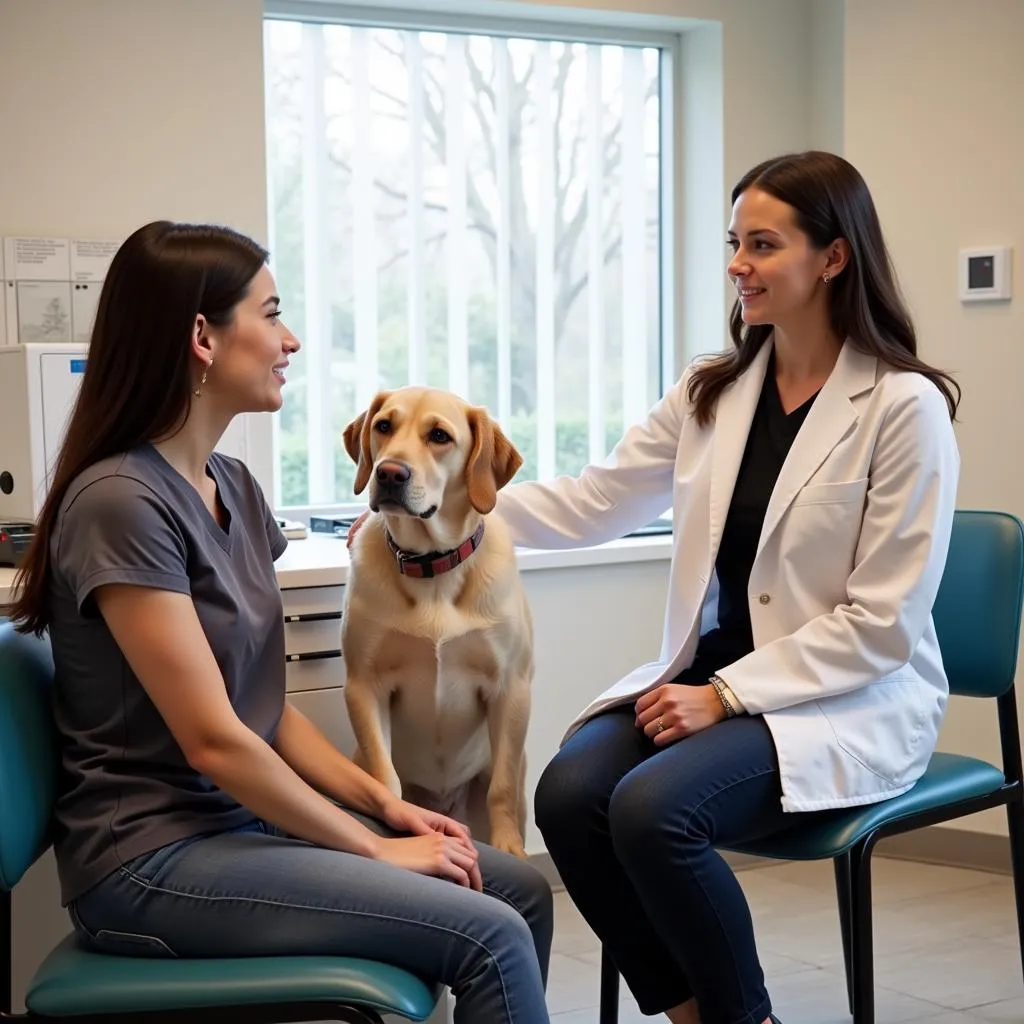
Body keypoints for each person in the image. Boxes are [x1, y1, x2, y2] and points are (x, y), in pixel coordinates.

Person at [4, 221, 553, 1024]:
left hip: (235, 826)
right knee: (492, 936)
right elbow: (214, 740)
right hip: (152, 861)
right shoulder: (121, 502)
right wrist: (371, 843)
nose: (290, 339)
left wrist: (386, 803)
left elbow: (264, 711)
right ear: (202, 336)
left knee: (522, 889)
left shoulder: (233, 485)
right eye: (271, 314)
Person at [494, 151, 961, 1024]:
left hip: (838, 694)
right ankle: (697, 1013)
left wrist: (726, 694)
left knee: (650, 810)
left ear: (833, 257)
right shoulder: (714, 390)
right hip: (706, 677)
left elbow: (885, 623)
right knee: (567, 795)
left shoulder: (903, 406)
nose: (737, 264)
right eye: (733, 243)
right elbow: (597, 501)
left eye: (762, 244)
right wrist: (452, 514)